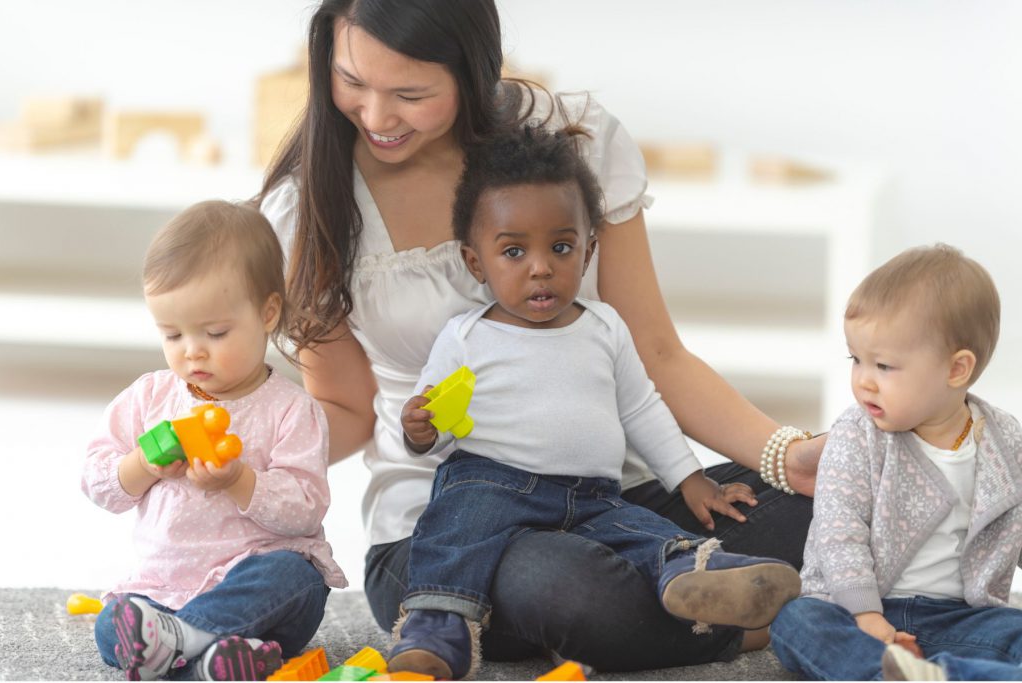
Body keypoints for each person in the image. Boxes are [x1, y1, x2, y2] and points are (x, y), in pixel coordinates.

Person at [258, 0, 824, 671]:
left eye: (410, 93)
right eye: (352, 81)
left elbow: (654, 352)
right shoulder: (309, 210)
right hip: (451, 522)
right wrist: (249, 459)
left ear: (473, 71)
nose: (377, 117)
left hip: (606, 492)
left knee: (813, 514)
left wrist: (783, 455)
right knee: (564, 584)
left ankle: (694, 588)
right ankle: (760, 622)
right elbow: (347, 411)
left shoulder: (569, 140)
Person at [386, 124, 802, 679]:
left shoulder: (604, 326)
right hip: (491, 482)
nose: (541, 267)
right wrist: (419, 429)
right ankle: (437, 624)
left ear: (589, 252)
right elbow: (434, 422)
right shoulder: (466, 335)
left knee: (639, 531)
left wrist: (689, 479)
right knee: (454, 527)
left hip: (593, 495)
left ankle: (699, 573)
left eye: (561, 247)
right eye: (514, 251)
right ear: (475, 261)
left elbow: (642, 409)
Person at [82, 200, 346, 681]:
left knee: (296, 579)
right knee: (110, 626)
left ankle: (182, 645)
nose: (192, 350)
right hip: (162, 587)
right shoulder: (149, 397)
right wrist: (142, 465)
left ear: (268, 313)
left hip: (253, 581)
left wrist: (239, 480)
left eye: (216, 332)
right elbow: (97, 482)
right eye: (173, 334)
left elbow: (306, 507)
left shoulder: (292, 409)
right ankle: (209, 660)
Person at [770, 244, 1022, 681]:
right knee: (797, 623)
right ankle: (885, 673)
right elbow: (839, 530)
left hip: (959, 618)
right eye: (856, 359)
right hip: (855, 612)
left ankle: (942, 673)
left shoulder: (1006, 441)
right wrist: (867, 615)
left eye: (884, 365)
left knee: (1015, 632)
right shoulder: (856, 434)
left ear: (956, 369)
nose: (864, 380)